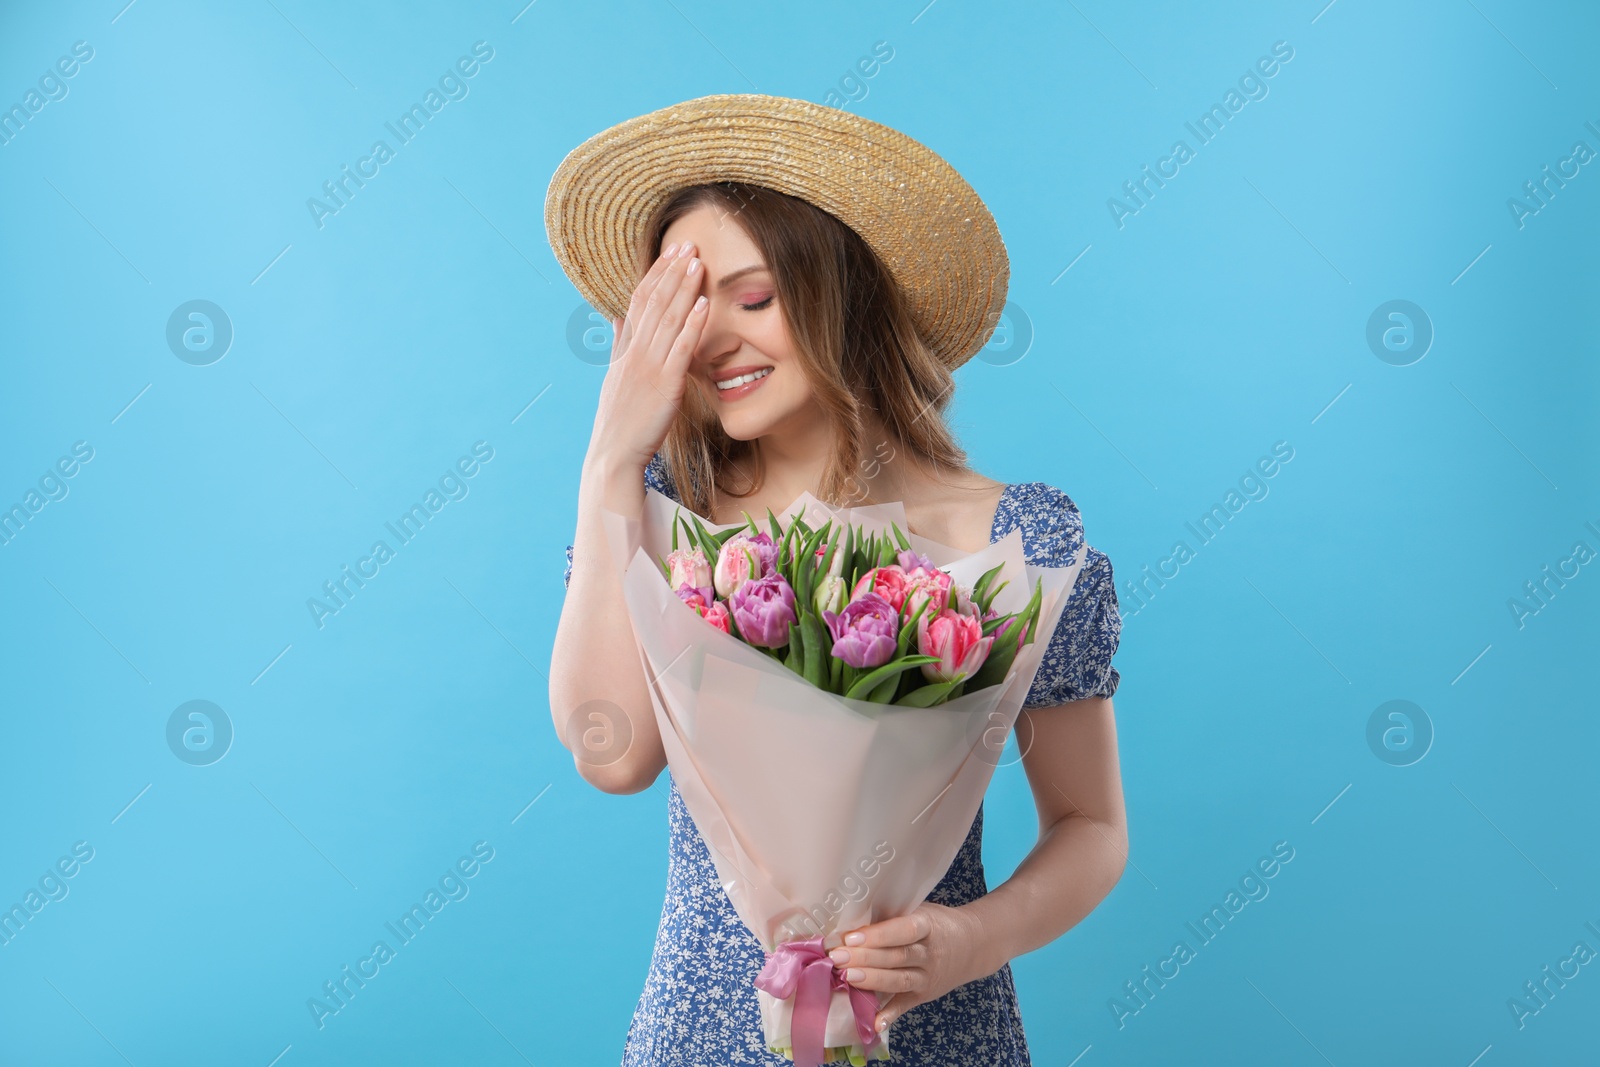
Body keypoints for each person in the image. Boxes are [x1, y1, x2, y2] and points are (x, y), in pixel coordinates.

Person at [547, 94, 1127, 1066]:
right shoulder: (654, 512)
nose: (716, 339)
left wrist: (971, 939)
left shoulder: (1017, 539)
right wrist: (607, 459)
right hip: (704, 1033)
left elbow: (1091, 824)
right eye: (684, 309)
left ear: (844, 291)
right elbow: (613, 758)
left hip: (941, 1027)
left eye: (755, 295)